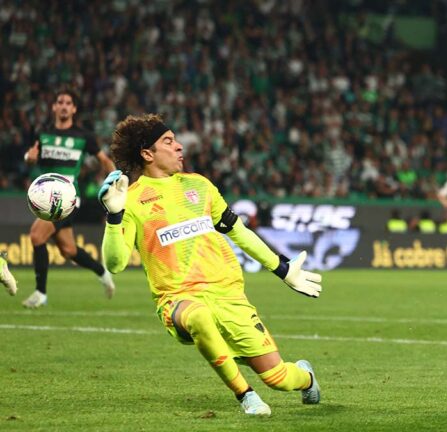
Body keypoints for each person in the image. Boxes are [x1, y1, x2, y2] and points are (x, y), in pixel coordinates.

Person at [98, 114, 322, 416]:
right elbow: (115, 263)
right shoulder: (130, 200)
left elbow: (238, 232)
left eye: (176, 140)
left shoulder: (199, 186)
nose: (179, 147)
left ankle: (306, 377)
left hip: (229, 295)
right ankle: (246, 396)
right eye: (168, 141)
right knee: (199, 317)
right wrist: (114, 216)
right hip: (176, 298)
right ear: (147, 153)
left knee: (278, 378)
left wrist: (282, 269)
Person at [21, 89, 116, 308]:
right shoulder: (42, 133)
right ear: (54, 107)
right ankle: (103, 273)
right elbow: (30, 157)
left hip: (68, 196)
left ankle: (40, 293)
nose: (64, 106)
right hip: (47, 194)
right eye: (60, 102)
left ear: (74, 109)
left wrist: (114, 180)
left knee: (36, 236)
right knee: (69, 251)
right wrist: (29, 158)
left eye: (68, 103)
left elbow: (104, 160)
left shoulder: (83, 136)